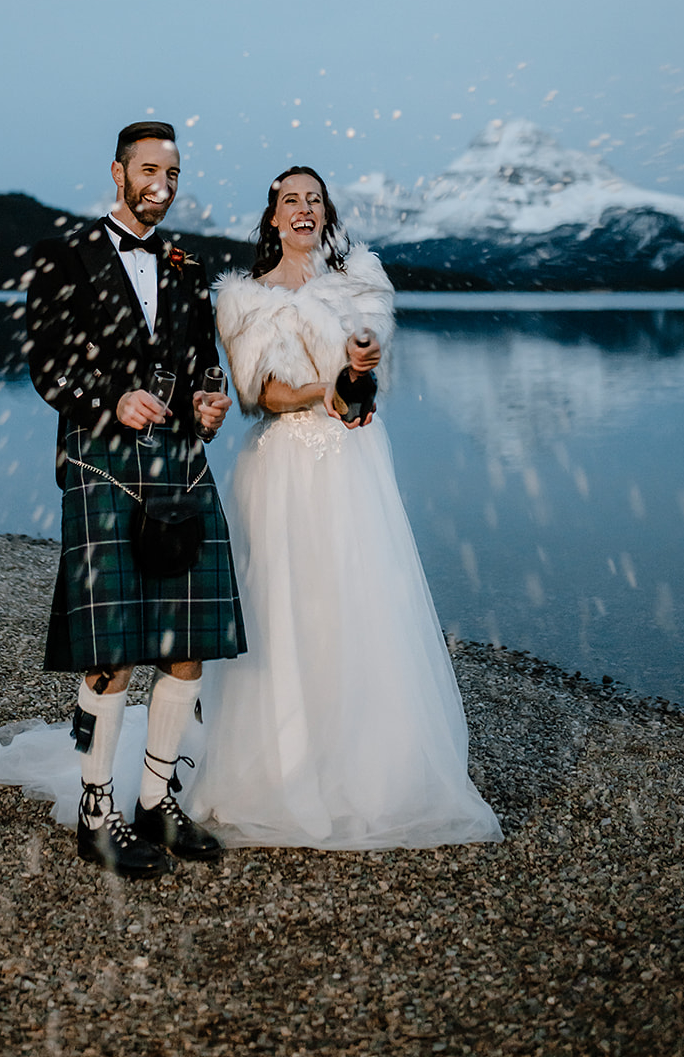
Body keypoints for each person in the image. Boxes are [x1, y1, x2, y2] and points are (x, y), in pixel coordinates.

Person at [183, 166, 502, 848]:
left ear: (326, 214)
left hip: (353, 462)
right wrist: (318, 392)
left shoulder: (359, 283)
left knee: (359, 600)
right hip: (282, 466)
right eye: (290, 200)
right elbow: (259, 395)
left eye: (314, 200)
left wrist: (356, 372)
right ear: (273, 217)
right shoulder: (244, 300)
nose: (303, 209)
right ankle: (279, 768)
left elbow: (366, 370)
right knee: (282, 606)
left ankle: (368, 769)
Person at [0, 122, 245, 876]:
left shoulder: (188, 266)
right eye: (148, 171)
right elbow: (47, 363)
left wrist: (207, 402)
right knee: (112, 649)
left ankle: (155, 803)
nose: (161, 185)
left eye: (172, 174)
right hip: (100, 460)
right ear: (117, 173)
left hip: (179, 462)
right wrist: (109, 399)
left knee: (186, 646)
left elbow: (201, 362)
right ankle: (96, 814)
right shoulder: (67, 256)